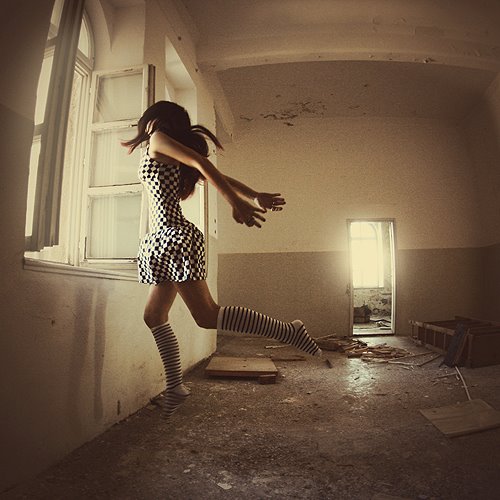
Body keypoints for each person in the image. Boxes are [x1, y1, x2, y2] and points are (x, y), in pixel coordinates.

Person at [122, 101, 322, 417]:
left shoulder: (157, 139)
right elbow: (214, 172)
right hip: (161, 241)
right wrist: (253, 195)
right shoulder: (166, 149)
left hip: (173, 238)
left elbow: (203, 164)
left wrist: (235, 202)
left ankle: (289, 331)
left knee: (206, 315)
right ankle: (175, 387)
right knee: (154, 315)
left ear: (155, 120)